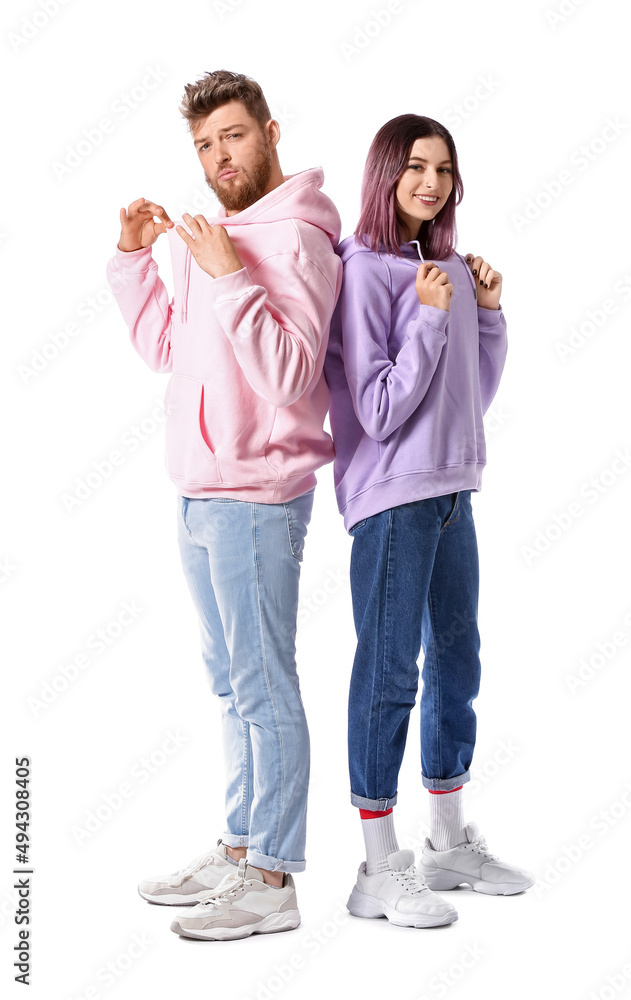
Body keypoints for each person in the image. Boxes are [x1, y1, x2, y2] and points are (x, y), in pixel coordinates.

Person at [106, 69, 341, 941]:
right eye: (204, 144)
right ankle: (243, 847)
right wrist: (139, 262)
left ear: (271, 132)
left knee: (265, 685)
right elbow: (171, 347)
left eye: (233, 136)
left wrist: (231, 273)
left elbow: (289, 375)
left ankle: (274, 880)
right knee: (230, 685)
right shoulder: (223, 234)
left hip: (258, 497)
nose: (217, 156)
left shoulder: (298, 241)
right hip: (199, 491)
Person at [323, 114, 533, 929]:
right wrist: (426, 317)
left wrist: (486, 315)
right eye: (415, 166)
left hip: (453, 493)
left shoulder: (442, 266)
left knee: (458, 660)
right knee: (389, 672)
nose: (431, 182)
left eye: (443, 169)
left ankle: (446, 840)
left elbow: (468, 399)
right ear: (386, 173)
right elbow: (377, 411)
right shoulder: (363, 270)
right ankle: (378, 866)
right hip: (391, 501)